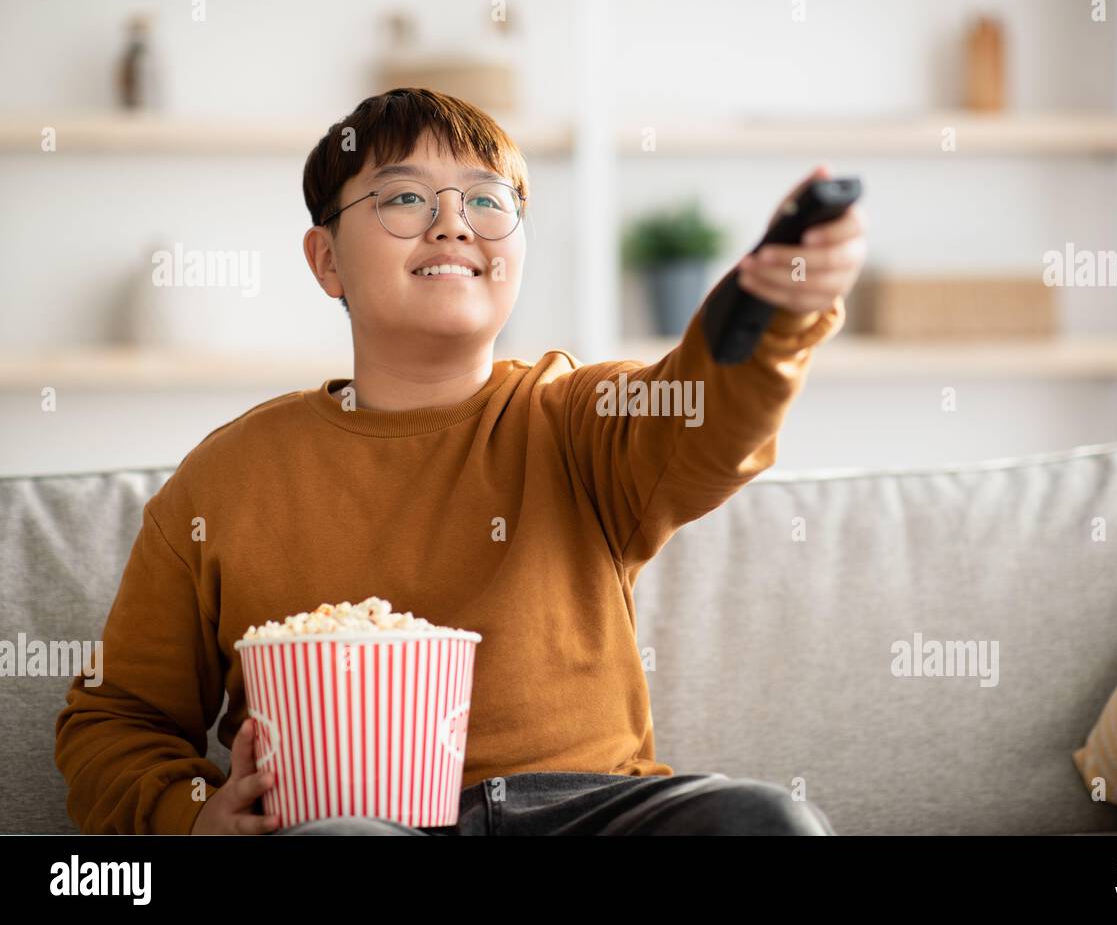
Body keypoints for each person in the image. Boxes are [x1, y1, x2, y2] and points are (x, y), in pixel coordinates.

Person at [54, 87, 865, 836]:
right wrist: (189, 813)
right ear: (326, 259)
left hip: (589, 809)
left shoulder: (575, 418)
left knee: (765, 819)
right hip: (356, 820)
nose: (454, 223)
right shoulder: (226, 479)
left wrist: (772, 309)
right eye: (405, 197)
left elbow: (705, 416)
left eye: (488, 200)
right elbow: (116, 718)